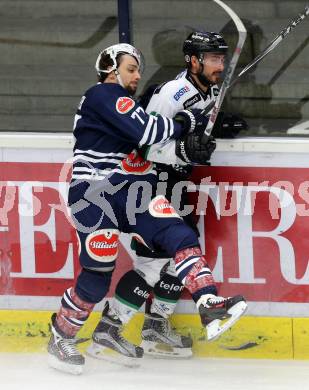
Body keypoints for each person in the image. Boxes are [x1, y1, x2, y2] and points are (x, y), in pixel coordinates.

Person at [47, 42, 226, 375]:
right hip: (93, 195)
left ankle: (210, 302)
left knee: (178, 232)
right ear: (112, 69)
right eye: (131, 68)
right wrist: (186, 121)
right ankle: (62, 334)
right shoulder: (103, 95)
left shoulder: (125, 104)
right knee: (97, 279)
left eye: (139, 69)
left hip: (131, 190)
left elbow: (148, 145)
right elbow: (149, 130)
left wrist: (188, 148)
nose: (138, 75)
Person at [87, 32, 248, 363]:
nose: (220, 64)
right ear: (193, 60)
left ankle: (155, 325)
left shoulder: (211, 89)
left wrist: (215, 129)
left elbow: (198, 127)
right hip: (152, 181)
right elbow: (142, 145)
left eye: (222, 58)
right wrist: (184, 148)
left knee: (184, 254)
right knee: (154, 262)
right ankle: (108, 330)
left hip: (177, 182)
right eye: (213, 58)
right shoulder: (172, 94)